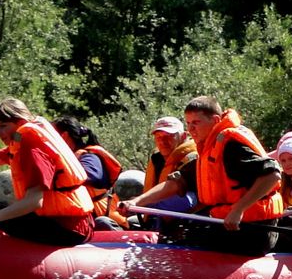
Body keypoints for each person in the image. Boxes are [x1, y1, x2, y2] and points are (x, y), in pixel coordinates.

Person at [121, 96, 282, 255]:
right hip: (229, 224)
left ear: (215, 120)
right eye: (188, 123)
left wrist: (238, 209)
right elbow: (176, 183)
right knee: (177, 231)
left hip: (253, 230)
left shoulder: (231, 146)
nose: (191, 129)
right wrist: (136, 202)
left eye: (196, 123)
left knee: (181, 237)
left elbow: (272, 175)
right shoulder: (208, 150)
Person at [0, 98, 96, 246]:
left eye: (3, 126)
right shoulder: (21, 140)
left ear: (20, 122)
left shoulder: (31, 147)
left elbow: (34, 202)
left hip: (68, 229)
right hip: (63, 222)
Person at [54, 115, 124, 229]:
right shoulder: (74, 157)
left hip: (105, 221)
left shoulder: (89, 157)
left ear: (64, 136)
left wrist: (55, 175)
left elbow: (93, 176)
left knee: (102, 223)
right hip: (87, 219)